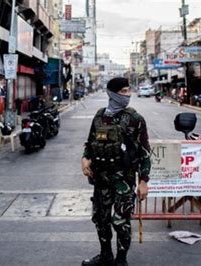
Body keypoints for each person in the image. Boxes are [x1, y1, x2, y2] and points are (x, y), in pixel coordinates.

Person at [81, 77, 151, 266]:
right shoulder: (99, 116)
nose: (127, 95)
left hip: (124, 180)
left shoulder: (135, 119)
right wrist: (84, 158)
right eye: (123, 92)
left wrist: (143, 181)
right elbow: (89, 143)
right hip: (101, 178)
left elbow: (144, 152)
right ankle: (105, 256)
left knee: (120, 221)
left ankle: (121, 260)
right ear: (111, 93)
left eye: (128, 91)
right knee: (101, 220)